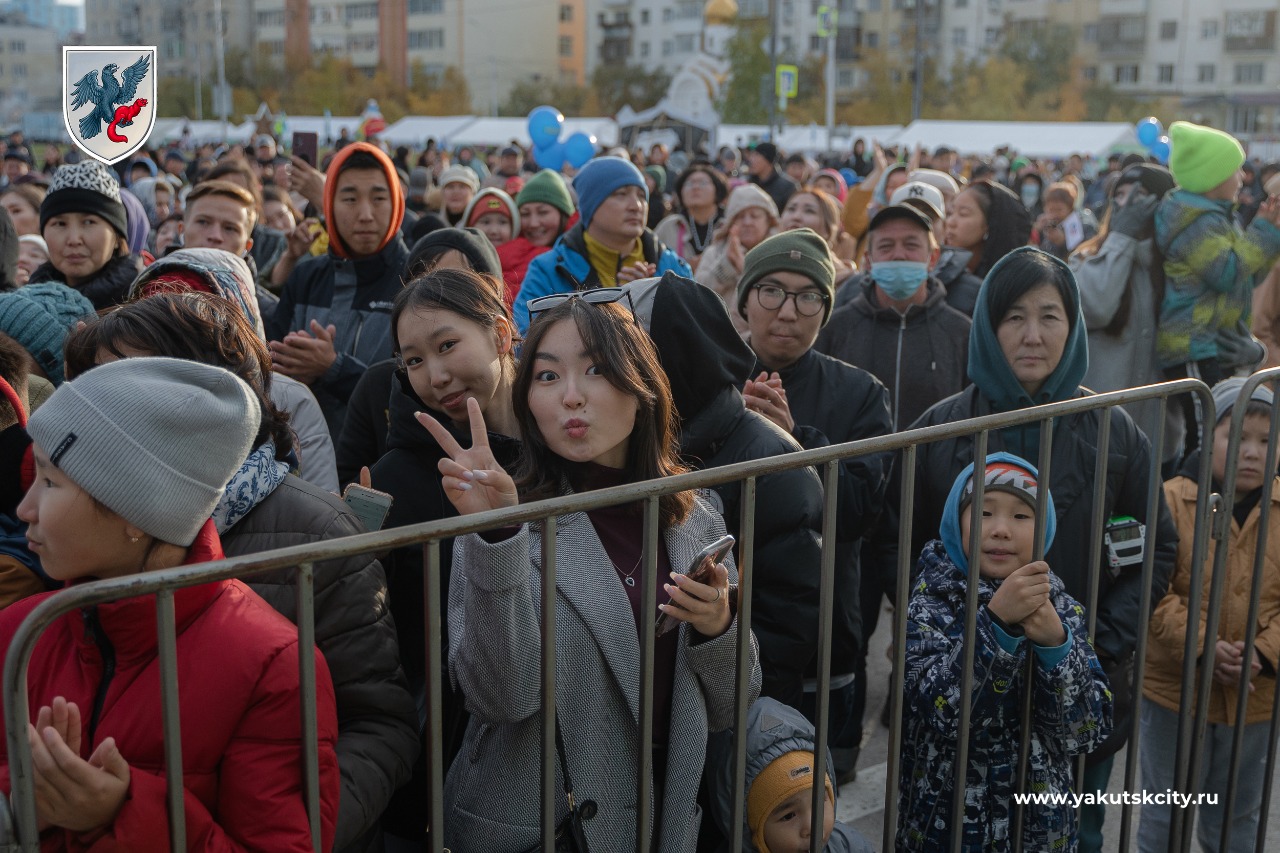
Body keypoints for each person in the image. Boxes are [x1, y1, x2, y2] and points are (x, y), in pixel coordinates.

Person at [63, 294, 417, 853]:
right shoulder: (77, 522)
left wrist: (287, 832)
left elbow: (378, 728)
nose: (111, 411)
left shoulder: (318, 534)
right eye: (96, 390)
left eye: (136, 386)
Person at [421, 292, 760, 850]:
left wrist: (718, 625)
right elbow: (502, 698)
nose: (571, 397)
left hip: (659, 815)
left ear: (642, 386)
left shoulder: (695, 515)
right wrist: (499, 537)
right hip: (539, 826)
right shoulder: (505, 520)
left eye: (596, 370)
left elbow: (733, 702)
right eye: (548, 376)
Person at [894, 246, 1178, 851]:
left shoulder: (1113, 429)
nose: (1032, 335)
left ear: (1073, 325)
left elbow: (1154, 548)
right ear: (989, 327)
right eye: (1014, 316)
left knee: (1076, 835)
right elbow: (902, 556)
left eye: (1050, 315)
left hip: (1076, 694)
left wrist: (1091, 643)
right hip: (961, 711)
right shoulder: (940, 432)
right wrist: (958, 647)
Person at [0, 356, 341, 849]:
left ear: (137, 511)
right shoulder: (19, 632)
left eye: (51, 482)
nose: (24, 509)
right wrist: (24, 801)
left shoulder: (271, 667)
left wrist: (121, 813)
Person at [372, 268, 523, 847]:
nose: (433, 376)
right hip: (445, 760)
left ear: (503, 335)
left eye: (446, 346)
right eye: (412, 361)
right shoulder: (396, 480)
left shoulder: (567, 450)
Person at [624, 271, 823, 708]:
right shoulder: (637, 445)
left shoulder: (775, 465)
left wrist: (713, 702)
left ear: (671, 360)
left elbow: (787, 626)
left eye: (622, 357)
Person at [736, 229, 892, 781]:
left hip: (826, 631)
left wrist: (796, 443)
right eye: (772, 291)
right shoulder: (710, 381)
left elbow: (858, 513)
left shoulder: (860, 393)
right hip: (726, 625)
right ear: (745, 299)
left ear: (826, 309)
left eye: (809, 297)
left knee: (814, 798)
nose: (788, 311)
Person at [898, 453, 1113, 851]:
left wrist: (1056, 645)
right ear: (955, 523)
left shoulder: (1061, 609)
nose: (999, 530)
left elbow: (1085, 734)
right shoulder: (932, 604)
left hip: (1039, 836)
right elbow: (946, 714)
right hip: (948, 835)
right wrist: (995, 626)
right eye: (983, 512)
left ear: (1044, 528)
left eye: (1021, 517)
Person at [1139, 378, 1280, 853]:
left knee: (1238, 819)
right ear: (1208, 437)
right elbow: (1153, 591)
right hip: (1174, 692)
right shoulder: (1172, 499)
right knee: (1165, 814)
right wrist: (1203, 646)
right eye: (1237, 434)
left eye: (1268, 440)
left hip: (1255, 698)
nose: (1252, 452)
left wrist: (1262, 652)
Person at [128, 247, 339, 494]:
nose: (175, 349)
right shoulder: (125, 394)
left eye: (196, 330)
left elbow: (321, 510)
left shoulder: (289, 398)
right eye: (155, 330)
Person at [267, 142, 409, 442]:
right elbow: (268, 369)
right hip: (303, 453)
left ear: (397, 202)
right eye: (350, 199)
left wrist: (334, 369)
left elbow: (421, 393)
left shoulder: (416, 282)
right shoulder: (306, 277)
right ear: (329, 203)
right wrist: (294, 374)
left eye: (379, 198)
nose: (366, 214)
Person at [1156, 121, 1280, 459]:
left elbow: (1246, 277)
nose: (1241, 177)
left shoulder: (1218, 217)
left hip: (1212, 343)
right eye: (1234, 170)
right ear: (1212, 178)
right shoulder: (1194, 221)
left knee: (1216, 430)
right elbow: (1227, 272)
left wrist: (1267, 234)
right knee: (1208, 435)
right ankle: (1192, 501)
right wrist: (1264, 234)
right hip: (1192, 345)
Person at [1071, 163, 1183, 475]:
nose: (1126, 203)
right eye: (1119, 195)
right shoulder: (1086, 258)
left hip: (1159, 444)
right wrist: (1120, 238)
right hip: (1096, 440)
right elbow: (1097, 306)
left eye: (1140, 195)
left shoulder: (1176, 268)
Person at [512, 156, 690, 334]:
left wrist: (647, 302)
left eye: (642, 196)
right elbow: (526, 342)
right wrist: (617, 307)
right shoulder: (549, 270)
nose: (636, 206)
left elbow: (696, 342)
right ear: (591, 206)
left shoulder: (674, 269)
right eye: (621, 194)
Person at [708, 696, 876, 853]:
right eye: (788, 816)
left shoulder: (848, 845)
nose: (813, 828)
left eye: (818, 803)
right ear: (748, 825)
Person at [27, 160, 141, 309]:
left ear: (117, 238)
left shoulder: (142, 303)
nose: (74, 240)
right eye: (60, 224)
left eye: (88, 222)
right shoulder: (29, 302)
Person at [695, 184, 779, 332]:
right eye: (740, 217)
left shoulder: (779, 254)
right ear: (730, 224)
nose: (747, 222)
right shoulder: (714, 253)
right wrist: (726, 265)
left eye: (754, 216)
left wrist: (744, 270)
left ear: (769, 221)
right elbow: (698, 296)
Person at [495, 169, 576, 306]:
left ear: (563, 215)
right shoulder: (503, 257)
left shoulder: (581, 255)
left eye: (543, 212)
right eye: (525, 214)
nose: (533, 223)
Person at [945, 180, 1033, 280]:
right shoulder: (938, 272)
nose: (950, 222)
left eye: (963, 214)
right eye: (950, 213)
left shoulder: (1012, 282)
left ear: (990, 224)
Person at [655, 162, 729, 272]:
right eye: (689, 183)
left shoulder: (730, 225)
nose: (695, 187)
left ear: (717, 190)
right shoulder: (668, 226)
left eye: (703, 183)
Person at [778, 188, 856, 280]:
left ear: (828, 229)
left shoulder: (847, 281)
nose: (796, 217)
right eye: (791, 209)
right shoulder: (765, 264)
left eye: (809, 211)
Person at [745, 142, 797, 211]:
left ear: (767, 160)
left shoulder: (788, 187)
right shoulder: (748, 184)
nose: (751, 160)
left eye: (756, 155)